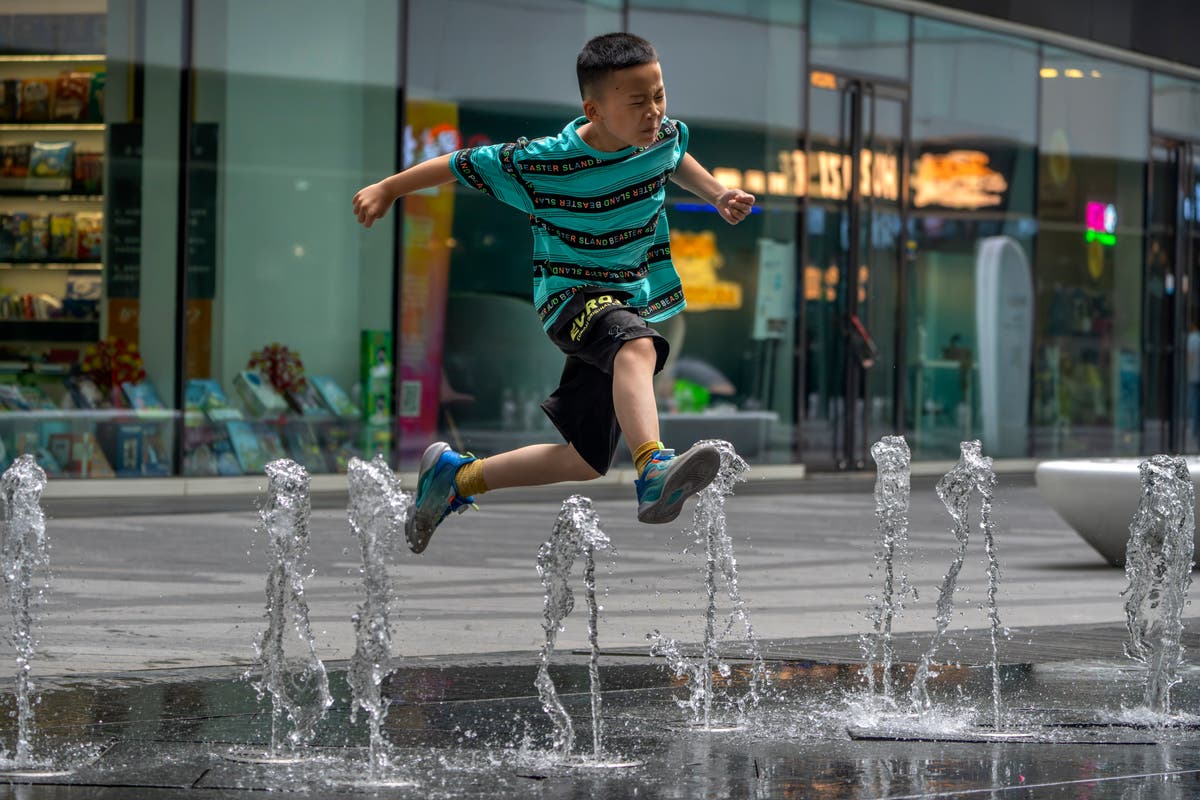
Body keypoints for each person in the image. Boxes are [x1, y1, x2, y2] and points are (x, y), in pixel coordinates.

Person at [352, 32, 756, 554]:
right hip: (570, 298)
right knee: (637, 346)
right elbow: (459, 164)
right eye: (637, 102)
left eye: (659, 95)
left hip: (626, 296)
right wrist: (388, 188)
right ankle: (653, 466)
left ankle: (455, 479)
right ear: (595, 108)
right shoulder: (543, 160)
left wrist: (719, 193)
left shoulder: (661, 137)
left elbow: (676, 157)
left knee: (585, 460)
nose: (653, 112)